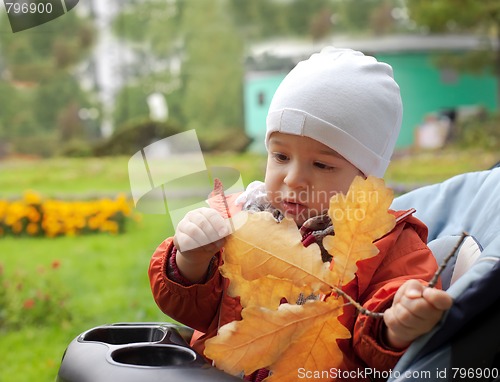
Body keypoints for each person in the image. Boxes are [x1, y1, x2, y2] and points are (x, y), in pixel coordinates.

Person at [148, 47, 453, 381]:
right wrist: (191, 260)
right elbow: (198, 312)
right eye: (280, 156)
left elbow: (377, 350)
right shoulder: (237, 219)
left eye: (321, 164)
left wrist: (397, 323)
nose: (293, 178)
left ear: (367, 179)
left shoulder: (388, 245)